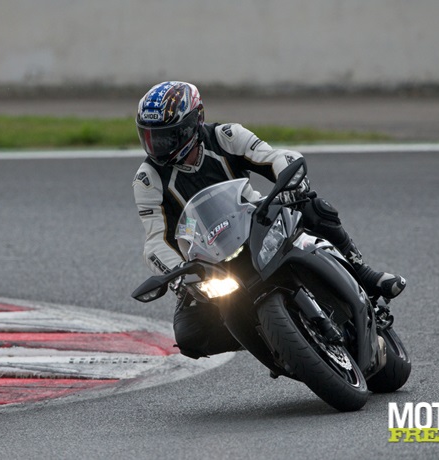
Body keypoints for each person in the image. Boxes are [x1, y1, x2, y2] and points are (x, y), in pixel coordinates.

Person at [132, 81, 406, 360]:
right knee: (190, 335)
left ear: (194, 121)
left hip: (254, 222)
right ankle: (269, 337)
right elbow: (155, 240)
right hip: (207, 258)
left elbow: (275, 157)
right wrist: (179, 273)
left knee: (313, 206)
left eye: (167, 137)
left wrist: (290, 184)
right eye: (150, 138)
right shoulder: (147, 179)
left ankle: (364, 274)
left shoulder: (226, 136)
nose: (157, 147)